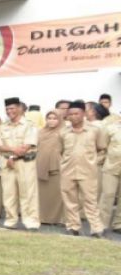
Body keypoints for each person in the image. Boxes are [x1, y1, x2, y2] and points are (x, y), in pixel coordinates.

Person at [59, 100, 106, 237]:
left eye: (77, 113)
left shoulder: (95, 130)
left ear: (84, 114)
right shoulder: (63, 132)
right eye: (71, 114)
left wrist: (93, 163)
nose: (73, 116)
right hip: (68, 171)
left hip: (88, 171)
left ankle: (96, 228)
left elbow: (101, 149)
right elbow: (60, 150)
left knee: (90, 200)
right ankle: (73, 227)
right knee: (70, 200)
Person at [0, 97, 39, 231]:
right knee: (9, 194)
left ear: (20, 108)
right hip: (7, 163)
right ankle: (10, 221)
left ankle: (31, 222)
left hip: (25, 163)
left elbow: (26, 147)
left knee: (28, 194)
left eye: (12, 108)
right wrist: (13, 151)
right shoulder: (3, 126)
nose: (9, 111)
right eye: (7, 109)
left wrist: (12, 155)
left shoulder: (30, 125)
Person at [36, 111, 65, 226]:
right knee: (41, 194)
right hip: (40, 165)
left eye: (55, 118)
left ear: (60, 120)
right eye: (49, 118)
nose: (51, 121)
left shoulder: (64, 132)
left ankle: (56, 219)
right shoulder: (40, 132)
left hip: (57, 167)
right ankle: (42, 217)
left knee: (56, 194)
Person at [99, 115, 121, 232]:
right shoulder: (111, 128)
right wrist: (100, 161)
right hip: (111, 166)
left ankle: (118, 224)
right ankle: (101, 224)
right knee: (108, 194)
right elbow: (103, 146)